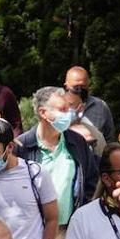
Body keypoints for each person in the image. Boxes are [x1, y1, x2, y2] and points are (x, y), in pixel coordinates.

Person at [14, 87, 99, 227]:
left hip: (71, 229)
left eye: (69, 108)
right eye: (63, 109)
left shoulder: (77, 143)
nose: (69, 114)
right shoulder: (21, 147)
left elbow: (91, 181)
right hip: (34, 231)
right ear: (43, 113)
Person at [64, 66, 115, 140]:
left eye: (83, 86)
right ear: (66, 86)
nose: (80, 90)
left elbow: (109, 136)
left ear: (88, 84)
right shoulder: (58, 106)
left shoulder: (100, 106)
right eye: (76, 87)